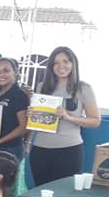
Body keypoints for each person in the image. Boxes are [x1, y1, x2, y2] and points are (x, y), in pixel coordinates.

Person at [28, 47, 100, 186]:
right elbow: (36, 121)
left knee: (64, 193)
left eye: (66, 61)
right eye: (56, 63)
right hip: (40, 150)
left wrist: (69, 117)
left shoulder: (83, 88)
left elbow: (95, 121)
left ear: (73, 63)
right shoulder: (42, 87)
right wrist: (32, 115)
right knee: (41, 192)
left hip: (69, 150)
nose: (61, 66)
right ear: (51, 66)